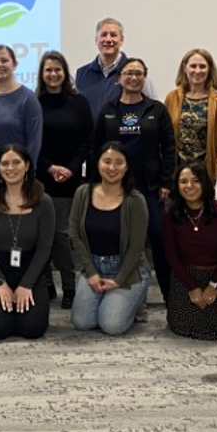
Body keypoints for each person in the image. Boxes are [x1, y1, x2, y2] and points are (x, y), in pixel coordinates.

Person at [94, 56, 175, 303]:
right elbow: (96, 148)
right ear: (119, 78)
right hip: (115, 189)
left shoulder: (156, 110)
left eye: (139, 73)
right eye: (128, 73)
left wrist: (166, 183)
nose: (133, 77)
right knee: (120, 242)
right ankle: (125, 298)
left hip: (150, 188)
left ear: (144, 78)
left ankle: (169, 295)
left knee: (158, 237)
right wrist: (96, 185)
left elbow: (169, 148)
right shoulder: (108, 110)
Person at [0, 145, 55, 341]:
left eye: (16, 162)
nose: (10, 168)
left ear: (27, 166)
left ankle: (19, 311)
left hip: (30, 269)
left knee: (33, 328)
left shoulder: (44, 201)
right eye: (5, 163)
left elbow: (44, 248)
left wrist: (26, 284)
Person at [67, 142, 149, 335]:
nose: (112, 167)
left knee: (112, 325)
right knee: (82, 322)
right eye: (107, 161)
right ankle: (112, 301)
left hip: (127, 270)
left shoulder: (135, 200)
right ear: (98, 163)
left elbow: (136, 247)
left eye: (119, 162)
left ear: (127, 167)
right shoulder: (83, 193)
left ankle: (135, 303)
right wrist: (91, 272)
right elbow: (74, 233)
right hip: (94, 266)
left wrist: (119, 280)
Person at [163, 161, 217, 341]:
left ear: (204, 183)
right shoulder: (171, 213)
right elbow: (171, 255)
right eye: (183, 181)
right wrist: (192, 286)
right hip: (185, 277)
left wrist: (213, 285)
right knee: (181, 324)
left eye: (195, 181)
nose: (189, 186)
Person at [34, 50, 93, 309]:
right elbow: (31, 141)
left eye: (58, 69)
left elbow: (87, 140)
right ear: (42, 74)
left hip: (69, 180)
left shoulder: (79, 103)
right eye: (48, 70)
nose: (53, 74)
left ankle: (69, 286)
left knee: (60, 236)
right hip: (41, 178)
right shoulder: (34, 102)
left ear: (65, 72)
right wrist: (49, 167)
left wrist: (70, 168)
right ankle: (47, 284)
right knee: (40, 234)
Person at [164, 48, 217, 181]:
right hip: (177, 170)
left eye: (202, 66)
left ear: (209, 69)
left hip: (206, 172)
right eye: (193, 66)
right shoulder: (172, 98)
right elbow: (164, 137)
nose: (197, 71)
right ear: (184, 68)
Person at [75, 18, 157, 117]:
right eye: (103, 35)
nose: (108, 40)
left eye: (113, 35)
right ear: (96, 40)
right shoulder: (81, 74)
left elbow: (153, 110)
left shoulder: (135, 73)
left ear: (121, 40)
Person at [0, 44, 42, 165]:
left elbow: (34, 141)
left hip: (16, 170)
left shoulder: (28, 98)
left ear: (15, 64)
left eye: (4, 60)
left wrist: (26, 169)